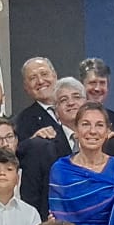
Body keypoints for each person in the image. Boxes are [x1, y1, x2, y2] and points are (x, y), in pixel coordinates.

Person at [19, 78, 86, 216]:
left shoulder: (104, 143)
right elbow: (30, 200)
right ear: (56, 113)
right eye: (63, 100)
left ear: (86, 104)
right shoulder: (40, 147)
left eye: (76, 97)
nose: (71, 103)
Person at [75, 57, 114, 157]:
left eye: (102, 83)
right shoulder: (70, 119)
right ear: (81, 85)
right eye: (92, 83)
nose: (97, 88)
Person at [14, 56, 61, 142]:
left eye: (44, 74)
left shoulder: (76, 107)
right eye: (33, 78)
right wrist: (34, 142)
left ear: (55, 76)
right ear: (26, 86)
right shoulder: (22, 122)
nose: (40, 81)